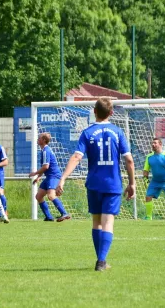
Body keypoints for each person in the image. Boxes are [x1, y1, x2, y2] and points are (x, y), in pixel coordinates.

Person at [56, 98, 136, 271]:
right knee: (108, 222)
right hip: (113, 184)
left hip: (94, 183)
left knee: (96, 222)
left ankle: (101, 260)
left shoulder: (87, 133)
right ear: (111, 113)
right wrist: (132, 183)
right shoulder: (118, 132)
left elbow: (77, 156)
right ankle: (101, 261)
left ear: (94, 111)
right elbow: (129, 160)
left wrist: (63, 178)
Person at [29, 133, 71, 222]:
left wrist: (35, 173)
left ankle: (64, 213)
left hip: (54, 176)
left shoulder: (46, 151)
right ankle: (49, 216)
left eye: (39, 138)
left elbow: (46, 167)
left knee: (51, 196)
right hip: (49, 176)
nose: (37, 139)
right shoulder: (44, 150)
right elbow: (45, 167)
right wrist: (39, 177)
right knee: (38, 196)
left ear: (44, 140)